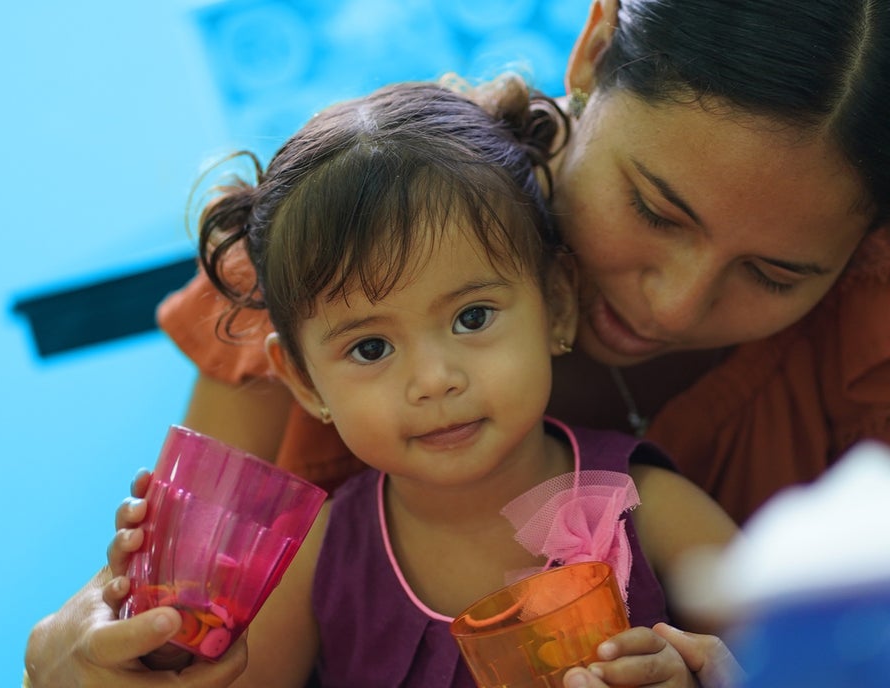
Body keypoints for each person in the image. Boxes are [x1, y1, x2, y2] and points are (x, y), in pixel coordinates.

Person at [30, 0, 890, 682]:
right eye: (655, 206)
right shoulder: (343, 248)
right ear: (594, 46)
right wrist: (84, 649)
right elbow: (170, 618)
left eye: (777, 274)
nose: (676, 305)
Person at [175, 76, 738, 686]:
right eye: (371, 347)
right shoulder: (317, 557)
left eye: (472, 318)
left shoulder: (646, 507)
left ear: (556, 303)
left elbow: (812, 659)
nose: (435, 380)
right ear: (305, 381)